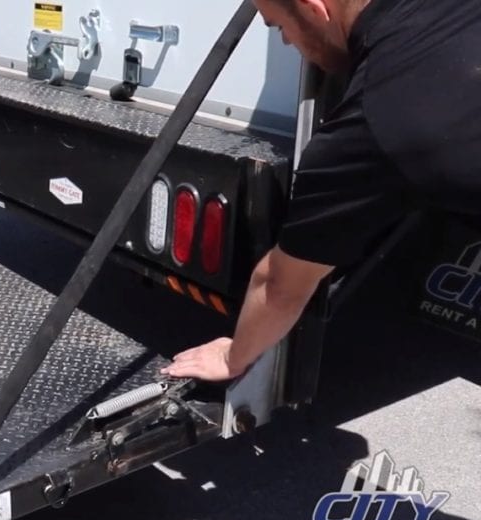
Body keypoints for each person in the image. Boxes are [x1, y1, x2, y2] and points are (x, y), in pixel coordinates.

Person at [162, 0, 481, 381]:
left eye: (277, 26)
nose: (284, 41)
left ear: (314, 9)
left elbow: (281, 285)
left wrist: (233, 357)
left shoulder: (377, 120)